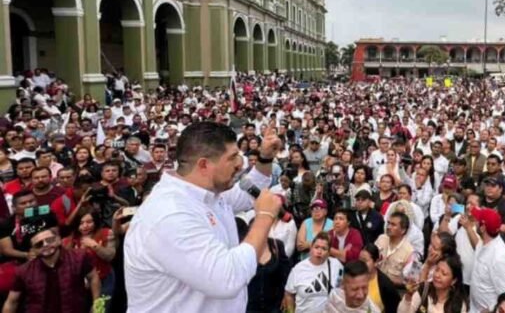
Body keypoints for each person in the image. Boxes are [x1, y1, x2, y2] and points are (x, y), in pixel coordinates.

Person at [124, 122, 283, 313]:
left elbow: (247, 196)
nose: (240, 163)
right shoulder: (170, 214)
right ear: (204, 165)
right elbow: (227, 278)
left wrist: (265, 159)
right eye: (232, 157)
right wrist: (264, 217)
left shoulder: (208, 193)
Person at [3, 219, 101, 312]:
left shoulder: (79, 257)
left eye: (49, 240)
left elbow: (93, 277)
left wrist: (97, 303)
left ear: (59, 240)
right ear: (33, 249)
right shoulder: (23, 271)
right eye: (39, 244)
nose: (45, 245)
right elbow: (12, 302)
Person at [62, 208, 117, 305]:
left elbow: (110, 256)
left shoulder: (106, 233)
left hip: (104, 279)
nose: (85, 226)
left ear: (95, 222)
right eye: (81, 223)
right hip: (79, 284)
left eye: (89, 222)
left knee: (100, 310)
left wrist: (95, 246)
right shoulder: (69, 240)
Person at [469, 208, 505, 313]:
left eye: (477, 221)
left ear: (483, 228)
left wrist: (491, 311)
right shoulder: (482, 243)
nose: (475, 223)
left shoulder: (500, 258)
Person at [283, 233, 344, 312]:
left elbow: (343, 287)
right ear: (311, 248)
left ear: (329, 252)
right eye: (316, 247)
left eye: (324, 249)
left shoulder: (336, 265)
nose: (319, 251)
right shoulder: (298, 269)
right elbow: (289, 294)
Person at [399, 255, 467, 313]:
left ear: (453, 281)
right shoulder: (424, 290)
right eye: (437, 270)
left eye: (444, 273)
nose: (437, 275)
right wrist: (408, 296)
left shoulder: (459, 305)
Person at [375, 212, 417, 287]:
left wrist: (389, 280)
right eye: (388, 223)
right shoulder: (381, 238)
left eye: (393, 225)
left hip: (395, 291)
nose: (388, 227)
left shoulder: (411, 252)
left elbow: (412, 281)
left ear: (403, 230)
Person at [359, 243, 401, 313]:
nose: (360, 264)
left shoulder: (386, 285)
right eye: (359, 260)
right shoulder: (353, 276)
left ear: (376, 262)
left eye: (364, 261)